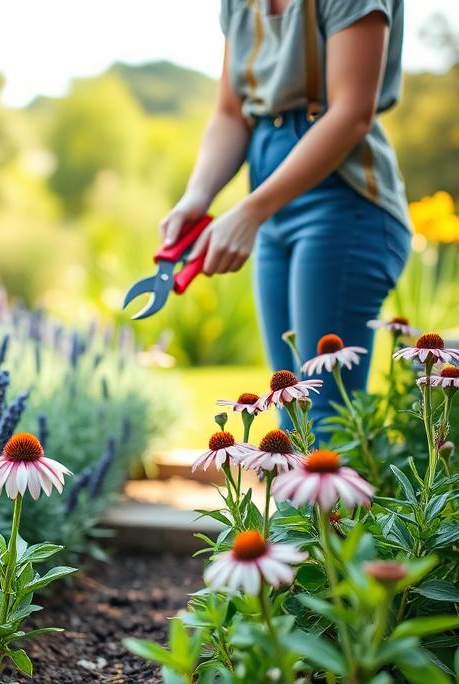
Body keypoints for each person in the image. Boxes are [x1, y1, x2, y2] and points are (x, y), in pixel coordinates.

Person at [161, 0, 411, 434]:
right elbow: (230, 112)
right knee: (291, 408)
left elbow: (352, 113)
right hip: (271, 205)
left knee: (326, 418)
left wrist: (252, 211)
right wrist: (197, 195)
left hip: (344, 203)